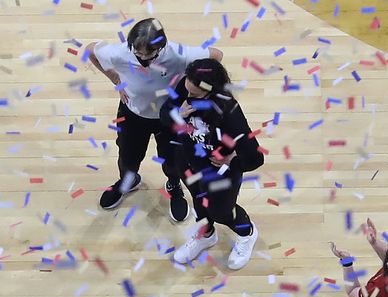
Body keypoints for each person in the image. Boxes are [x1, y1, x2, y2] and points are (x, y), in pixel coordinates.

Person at [86, 19, 221, 220]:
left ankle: (173, 185)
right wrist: (115, 79)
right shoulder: (118, 53)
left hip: (170, 117)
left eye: (148, 55)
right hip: (132, 114)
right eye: (138, 53)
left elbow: (216, 56)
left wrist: (193, 93)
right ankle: (128, 181)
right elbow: (90, 50)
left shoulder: (179, 54)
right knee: (127, 159)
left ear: (161, 46)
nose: (143, 59)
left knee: (173, 161)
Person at [166, 58, 265, 271]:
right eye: (187, 90)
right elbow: (165, 113)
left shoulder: (229, 111)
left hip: (220, 172)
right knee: (199, 202)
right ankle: (206, 234)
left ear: (210, 91)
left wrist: (233, 160)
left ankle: (247, 233)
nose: (187, 96)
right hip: (188, 161)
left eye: (194, 94)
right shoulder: (188, 85)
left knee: (222, 211)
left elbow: (255, 157)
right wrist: (177, 115)